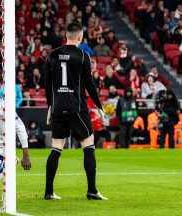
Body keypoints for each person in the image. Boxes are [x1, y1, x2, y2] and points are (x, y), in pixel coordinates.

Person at [44, 22, 107, 200]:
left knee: (56, 148)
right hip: (77, 107)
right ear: (80, 37)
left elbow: (47, 84)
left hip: (58, 108)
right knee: (88, 144)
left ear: (66, 35)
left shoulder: (52, 55)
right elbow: (90, 84)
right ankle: (92, 190)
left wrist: (50, 105)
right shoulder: (83, 56)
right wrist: (99, 105)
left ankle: (49, 192)